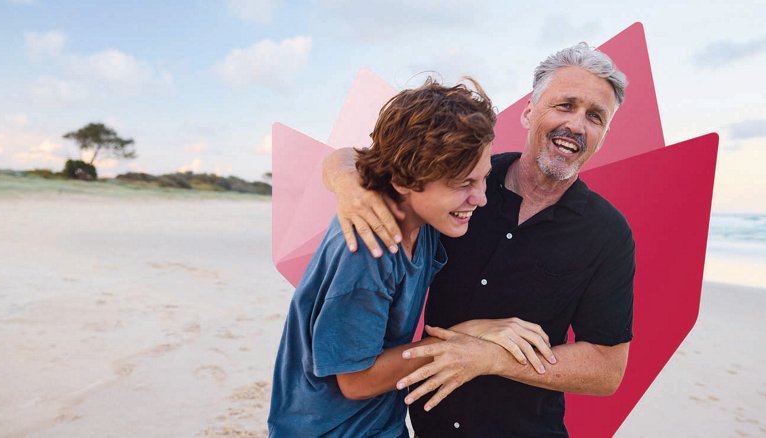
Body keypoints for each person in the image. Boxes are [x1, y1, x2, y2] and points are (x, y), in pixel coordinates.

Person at [323, 43, 635, 436]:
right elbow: (371, 158)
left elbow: (607, 369)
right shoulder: (466, 183)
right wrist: (347, 182)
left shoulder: (608, 233)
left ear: (603, 135)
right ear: (528, 112)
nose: (576, 124)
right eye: (565, 105)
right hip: (427, 427)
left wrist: (493, 358)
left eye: (595, 116)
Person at [268, 78, 556, 437]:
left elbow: (350, 157)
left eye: (482, 179)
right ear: (405, 179)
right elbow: (356, 381)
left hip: (380, 424)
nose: (480, 198)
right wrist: (465, 336)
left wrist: (343, 177)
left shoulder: (426, 214)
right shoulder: (368, 252)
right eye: (464, 184)